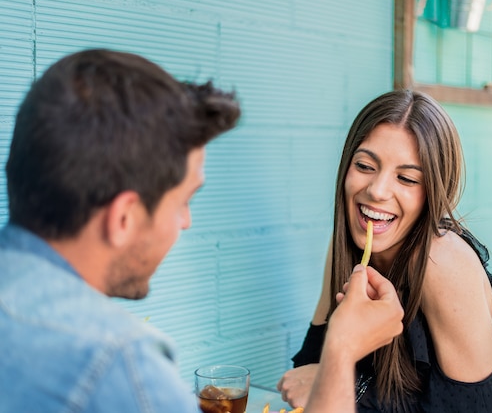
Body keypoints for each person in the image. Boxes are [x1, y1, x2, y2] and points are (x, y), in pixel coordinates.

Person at [0, 49, 404, 413]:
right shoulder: (116, 363)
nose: (186, 221)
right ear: (123, 218)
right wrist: (342, 350)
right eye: (183, 201)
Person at [277, 89, 492, 412]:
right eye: (365, 166)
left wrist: (335, 379)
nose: (377, 191)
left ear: (434, 193)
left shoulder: (443, 263)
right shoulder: (347, 244)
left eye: (407, 178)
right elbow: (304, 372)